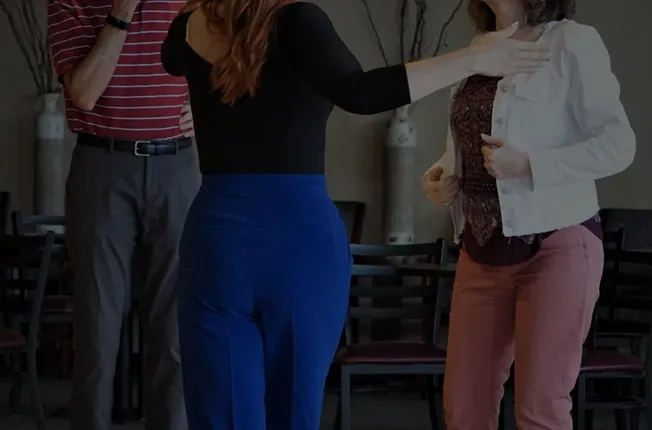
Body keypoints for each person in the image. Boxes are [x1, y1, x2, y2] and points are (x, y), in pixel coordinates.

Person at [159, 0, 550, 429]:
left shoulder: (189, 27)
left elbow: (174, 62)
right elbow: (360, 93)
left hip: (217, 240)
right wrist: (472, 58)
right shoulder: (298, 20)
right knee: (293, 411)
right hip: (298, 243)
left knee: (222, 414)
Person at [421, 0, 636, 429]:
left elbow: (619, 145)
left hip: (556, 246)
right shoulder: (478, 48)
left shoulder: (572, 42)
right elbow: (464, 143)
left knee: (540, 410)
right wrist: (439, 177)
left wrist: (530, 165)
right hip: (480, 249)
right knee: (464, 409)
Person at [46, 1, 198, 429]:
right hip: (103, 166)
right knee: (98, 328)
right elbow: (84, 94)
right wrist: (122, 12)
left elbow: (231, 59)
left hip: (176, 166)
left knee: (174, 330)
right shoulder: (69, 2)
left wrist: (210, 102)